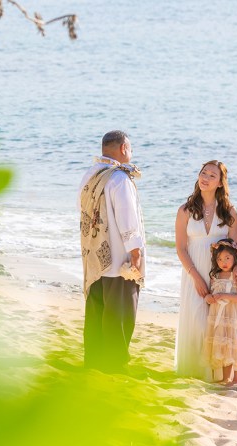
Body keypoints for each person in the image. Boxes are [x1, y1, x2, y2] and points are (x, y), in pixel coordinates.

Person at [79, 130, 145, 372]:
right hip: (118, 259)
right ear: (124, 148)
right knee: (119, 313)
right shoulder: (119, 179)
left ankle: (94, 361)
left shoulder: (91, 173)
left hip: (95, 255)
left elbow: (82, 207)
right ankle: (115, 362)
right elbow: (128, 219)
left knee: (97, 310)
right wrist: (135, 252)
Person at [175, 160, 237, 380]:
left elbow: (235, 248)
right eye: (203, 173)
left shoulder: (229, 212)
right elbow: (181, 249)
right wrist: (195, 277)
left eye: (212, 175)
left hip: (220, 274)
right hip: (193, 270)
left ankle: (217, 374)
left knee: (218, 322)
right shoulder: (185, 210)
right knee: (195, 319)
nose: (205, 177)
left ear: (221, 183)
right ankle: (194, 370)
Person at [203, 239, 237, 385]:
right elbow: (211, 293)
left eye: (227, 258)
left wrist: (224, 296)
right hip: (219, 316)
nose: (223, 262)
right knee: (225, 347)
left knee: (236, 345)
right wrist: (208, 297)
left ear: (234, 257)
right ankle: (226, 378)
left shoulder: (236, 276)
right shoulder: (215, 276)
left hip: (234, 316)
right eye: (219, 259)